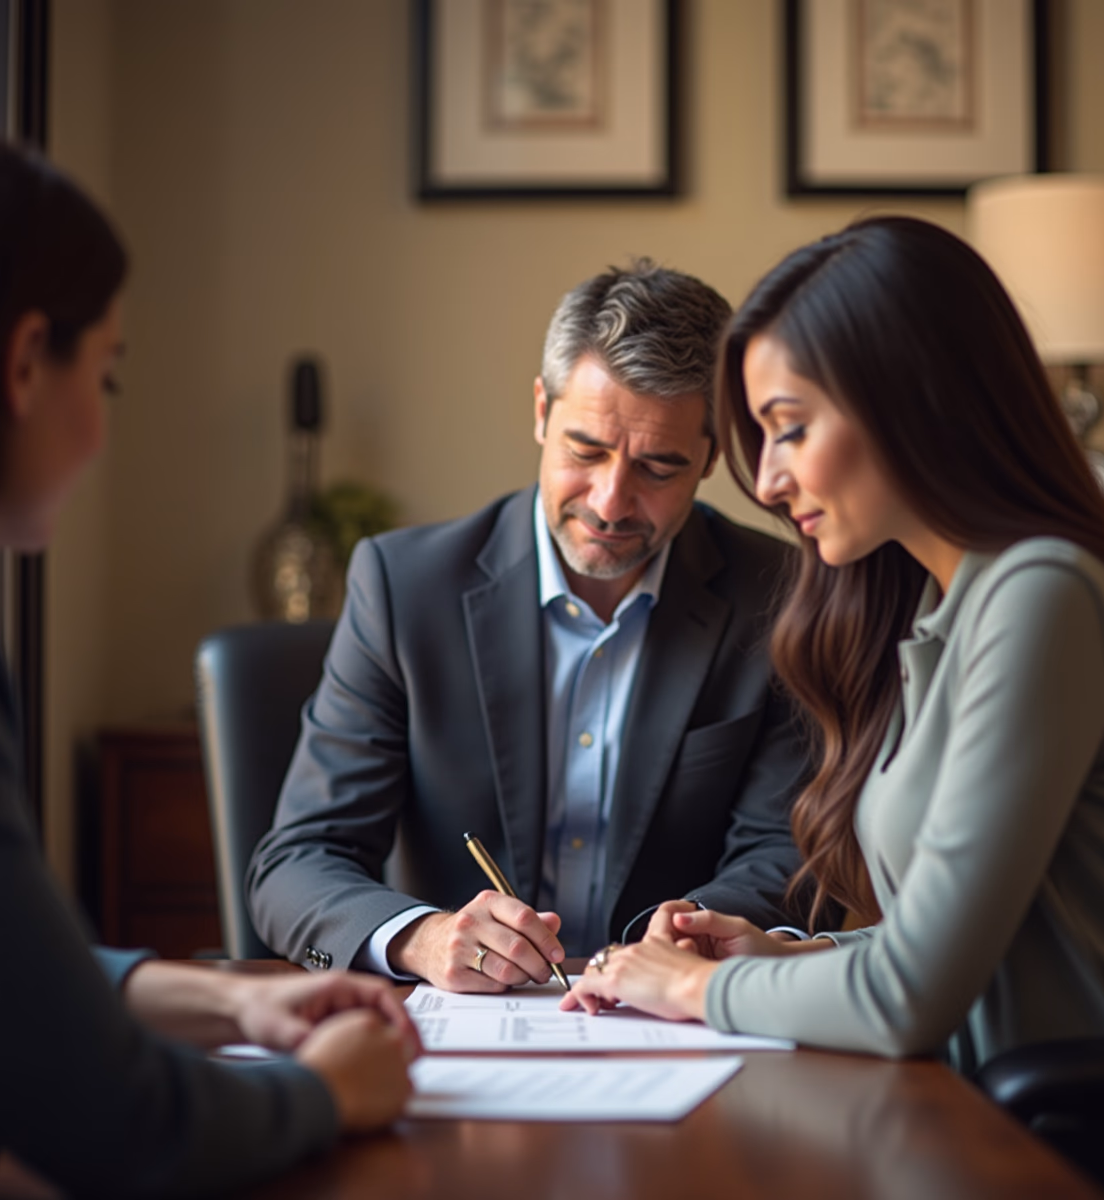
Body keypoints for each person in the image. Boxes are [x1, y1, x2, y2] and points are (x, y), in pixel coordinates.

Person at [561, 216, 1104, 1072]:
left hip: (1094, 1132)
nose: (773, 482)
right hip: (991, 1104)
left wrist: (684, 988)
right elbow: (954, 956)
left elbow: (910, 998)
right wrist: (779, 959)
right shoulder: (948, 610)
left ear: (911, 399)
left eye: (789, 428)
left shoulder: (1046, 596)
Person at [0, 141, 421, 1197]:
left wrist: (231, 1004)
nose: (101, 427)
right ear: (22, 362)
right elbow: (115, 1120)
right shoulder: (406, 582)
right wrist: (326, 1095)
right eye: (108, 372)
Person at [247, 259, 822, 994]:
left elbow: (782, 851)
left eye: (659, 467)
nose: (612, 501)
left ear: (711, 457)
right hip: (460, 1027)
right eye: (586, 451)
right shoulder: (403, 588)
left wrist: (685, 941)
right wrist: (424, 939)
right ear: (542, 412)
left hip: (672, 1014)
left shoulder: (780, 595)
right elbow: (296, 861)